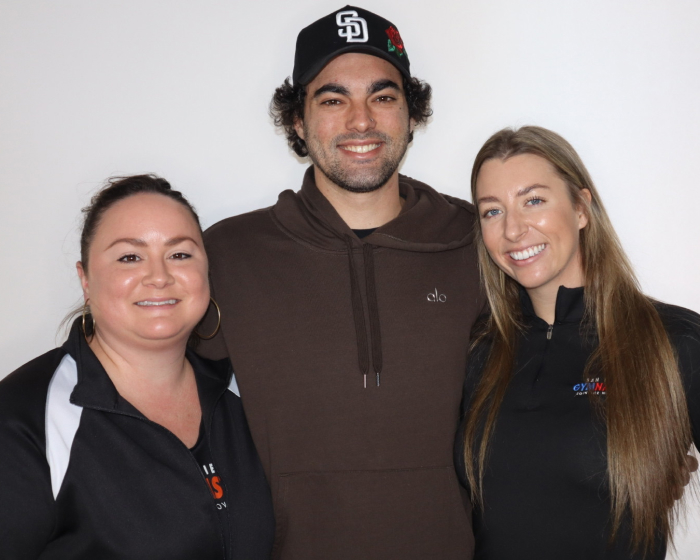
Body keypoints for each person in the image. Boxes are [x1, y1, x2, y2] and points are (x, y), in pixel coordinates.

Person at [197, 6, 484, 559]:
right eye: (333, 99)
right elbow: (154, 396)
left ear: (411, 113)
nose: (361, 121)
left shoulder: (478, 240)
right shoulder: (228, 255)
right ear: (299, 123)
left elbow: (562, 344)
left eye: (383, 96)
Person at [0, 175, 274, 560]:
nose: (159, 277)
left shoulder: (243, 393)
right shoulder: (22, 419)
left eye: (180, 254)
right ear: (85, 280)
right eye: (130, 257)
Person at [457, 126, 700, 559]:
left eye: (533, 200)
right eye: (491, 211)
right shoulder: (480, 352)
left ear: (582, 208)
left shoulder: (671, 340)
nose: (513, 229)